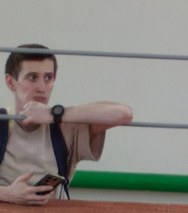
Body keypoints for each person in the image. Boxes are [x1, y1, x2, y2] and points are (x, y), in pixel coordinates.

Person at [2, 45, 131, 204]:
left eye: (48, 78)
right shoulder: (2, 122)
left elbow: (123, 114)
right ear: (10, 82)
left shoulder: (64, 126)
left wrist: (55, 114)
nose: (41, 88)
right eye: (32, 77)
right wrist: (6, 194)